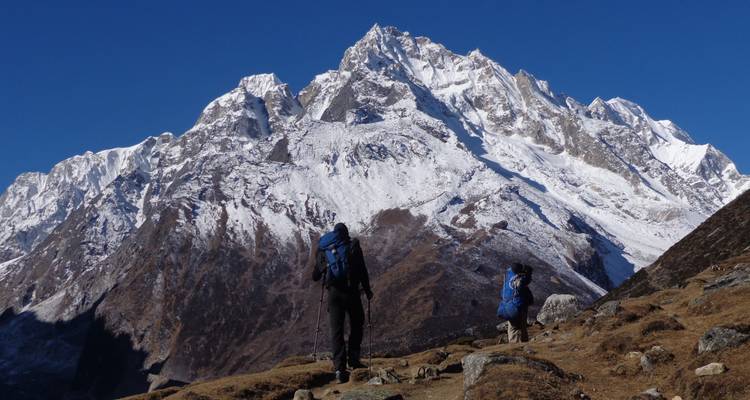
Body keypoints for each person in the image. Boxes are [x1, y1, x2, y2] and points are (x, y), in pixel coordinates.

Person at [312, 223, 373, 383]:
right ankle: (353, 359)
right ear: (346, 233)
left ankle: (339, 369)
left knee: (336, 331)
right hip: (351, 292)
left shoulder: (325, 248)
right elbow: (362, 270)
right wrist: (367, 291)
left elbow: (315, 276)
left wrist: (325, 267)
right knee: (357, 323)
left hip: (334, 295)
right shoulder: (352, 245)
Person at [498, 262, 534, 343]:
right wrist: (527, 274)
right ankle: (518, 346)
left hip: (508, 306)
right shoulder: (518, 280)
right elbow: (523, 283)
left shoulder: (508, 279)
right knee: (518, 327)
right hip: (517, 307)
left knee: (512, 327)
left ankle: (516, 344)